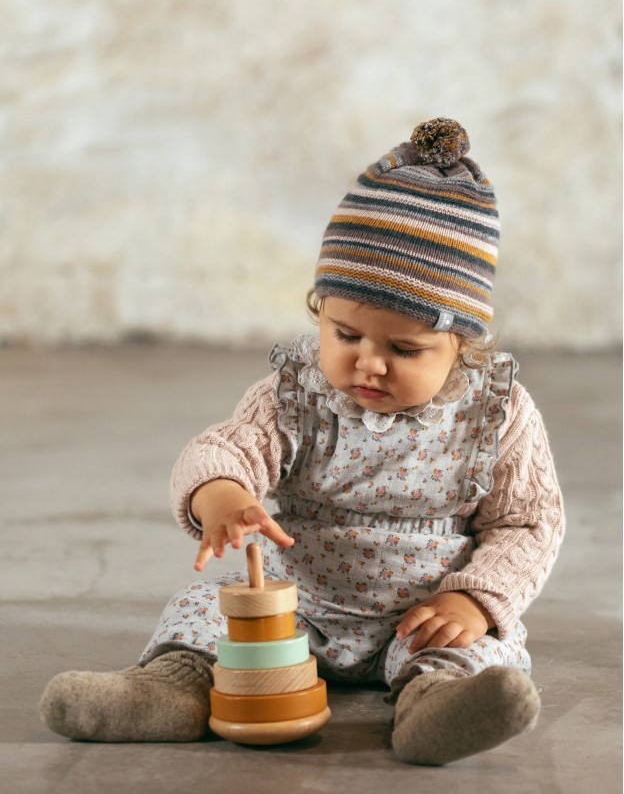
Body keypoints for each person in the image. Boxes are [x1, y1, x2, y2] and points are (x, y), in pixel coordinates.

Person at [40, 117, 565, 765]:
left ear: (464, 345)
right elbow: (225, 450)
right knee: (210, 612)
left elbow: (528, 522)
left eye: (405, 349)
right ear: (321, 310)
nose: (368, 363)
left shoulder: (496, 412)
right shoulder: (293, 397)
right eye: (346, 335)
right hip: (298, 607)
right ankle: (172, 691)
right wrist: (222, 495)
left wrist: (477, 599)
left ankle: (437, 704)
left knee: (478, 650)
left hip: (428, 615)